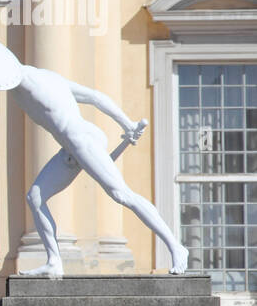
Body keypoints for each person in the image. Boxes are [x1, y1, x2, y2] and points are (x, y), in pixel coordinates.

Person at [13, 64, 190, 277]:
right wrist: (127, 124)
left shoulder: (31, 81)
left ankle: (176, 247)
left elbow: (94, 98)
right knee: (35, 198)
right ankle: (54, 262)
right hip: (71, 147)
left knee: (122, 194)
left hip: (82, 140)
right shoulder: (42, 78)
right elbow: (96, 97)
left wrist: (128, 124)